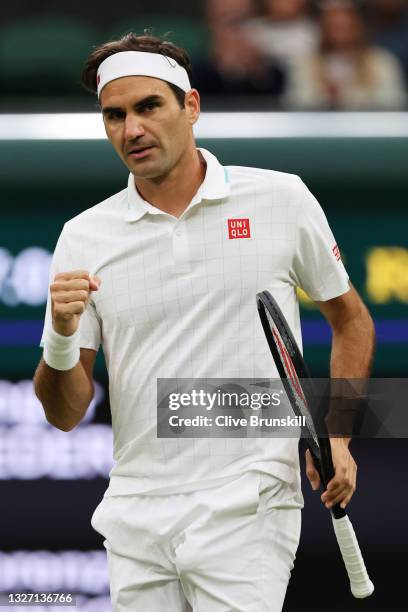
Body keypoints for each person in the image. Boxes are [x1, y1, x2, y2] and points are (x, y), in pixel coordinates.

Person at [34, 33, 375, 612]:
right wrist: (63, 339)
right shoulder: (82, 237)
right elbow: (64, 414)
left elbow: (352, 321)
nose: (131, 129)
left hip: (251, 501)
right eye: (114, 116)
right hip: (136, 514)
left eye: (148, 107)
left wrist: (337, 432)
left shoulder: (281, 198)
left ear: (190, 106)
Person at [285, 0, 407, 110]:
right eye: (334, 26)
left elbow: (393, 103)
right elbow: (295, 103)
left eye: (346, 26)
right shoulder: (305, 64)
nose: (341, 33)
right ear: (323, 28)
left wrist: (349, 96)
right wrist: (326, 98)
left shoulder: (382, 61)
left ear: (358, 26)